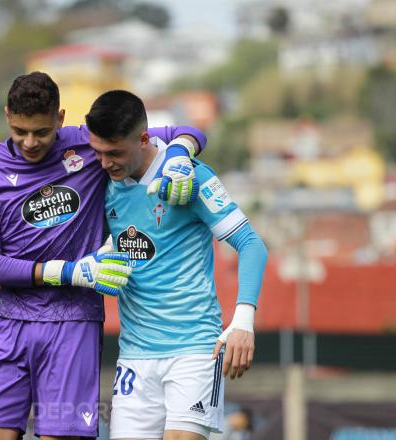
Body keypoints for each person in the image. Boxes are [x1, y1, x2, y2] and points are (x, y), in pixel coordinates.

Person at [0, 71, 207, 440]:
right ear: (7, 115)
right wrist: (71, 271)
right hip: (8, 322)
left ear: (60, 119)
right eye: (20, 131)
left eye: (42, 132)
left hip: (73, 323)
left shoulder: (90, 146)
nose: (30, 142)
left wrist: (179, 154)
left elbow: (188, 132)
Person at [85, 90, 268, 440]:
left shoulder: (188, 175)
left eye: (115, 153)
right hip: (134, 357)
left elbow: (251, 245)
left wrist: (243, 321)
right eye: (98, 153)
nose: (105, 163)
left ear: (143, 138)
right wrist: (98, 263)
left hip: (194, 351)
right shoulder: (104, 184)